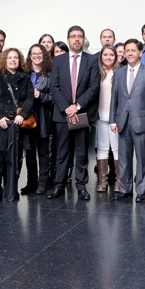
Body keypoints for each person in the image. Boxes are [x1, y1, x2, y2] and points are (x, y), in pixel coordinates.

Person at [47, 26, 99, 201]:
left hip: (82, 113)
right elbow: (54, 87)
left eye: (80, 36)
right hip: (62, 114)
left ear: (83, 40)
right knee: (62, 152)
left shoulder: (91, 60)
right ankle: (59, 185)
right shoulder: (58, 60)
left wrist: (77, 106)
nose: (77, 39)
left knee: (82, 152)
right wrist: (67, 108)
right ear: (68, 39)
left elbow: (94, 87)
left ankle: (81, 186)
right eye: (73, 36)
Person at [110, 39, 145, 202]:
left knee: (142, 158)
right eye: (127, 50)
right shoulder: (119, 73)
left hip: (141, 123)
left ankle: (141, 189)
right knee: (124, 158)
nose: (129, 53)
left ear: (140, 52)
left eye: (133, 50)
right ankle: (125, 188)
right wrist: (112, 120)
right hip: (122, 121)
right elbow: (114, 99)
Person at [0, 48, 34, 202]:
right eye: (10, 58)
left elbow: (29, 99)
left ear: (19, 60)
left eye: (16, 58)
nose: (13, 60)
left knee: (17, 156)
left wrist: (22, 115)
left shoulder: (26, 78)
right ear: (4, 61)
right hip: (2, 123)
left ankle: (11, 187)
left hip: (19, 122)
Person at [24, 44, 54, 195]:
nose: (36, 56)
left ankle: (43, 182)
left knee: (43, 153)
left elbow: (55, 97)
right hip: (27, 119)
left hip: (43, 117)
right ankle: (31, 182)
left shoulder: (50, 74)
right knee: (29, 152)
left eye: (39, 53)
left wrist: (40, 96)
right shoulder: (24, 73)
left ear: (44, 56)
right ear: (29, 56)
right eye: (33, 53)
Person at [95, 45, 120, 192]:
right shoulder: (96, 73)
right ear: (101, 56)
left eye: (111, 55)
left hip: (115, 116)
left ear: (116, 57)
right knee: (102, 148)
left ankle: (118, 181)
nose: (108, 57)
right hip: (99, 115)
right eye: (105, 55)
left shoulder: (119, 73)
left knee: (116, 149)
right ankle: (103, 181)